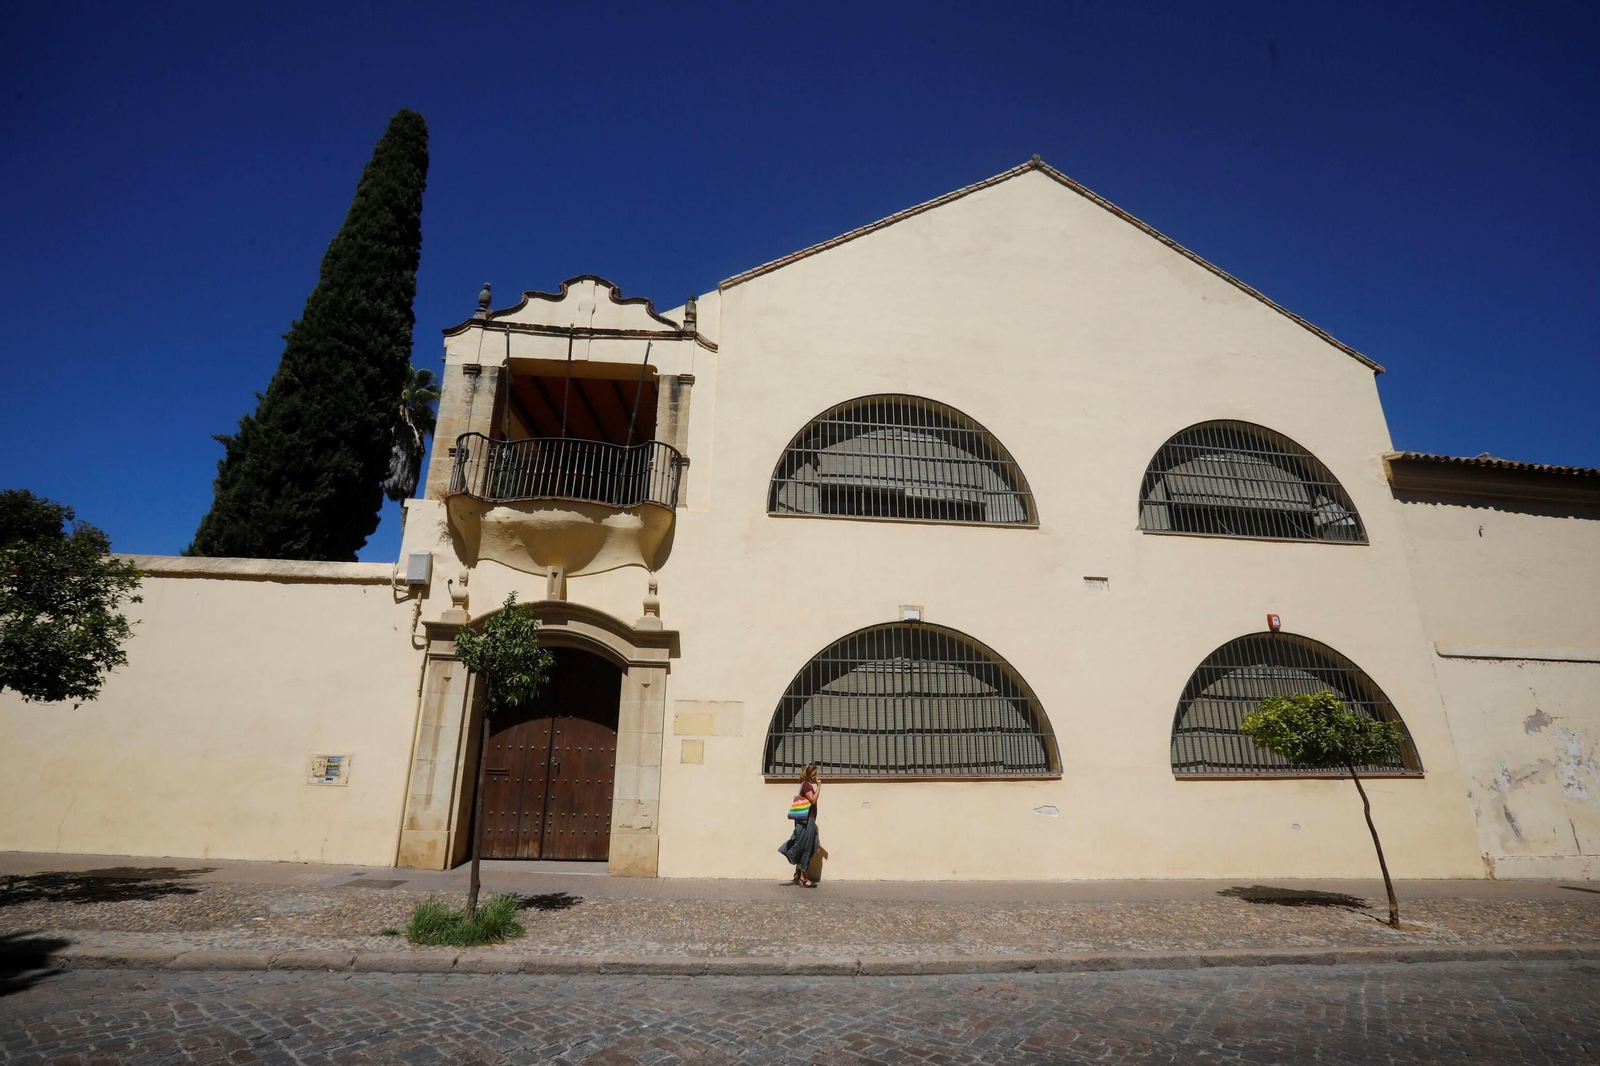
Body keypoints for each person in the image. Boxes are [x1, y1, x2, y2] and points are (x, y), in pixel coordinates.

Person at [778, 763, 821, 886]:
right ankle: (803, 877)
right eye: (814, 774)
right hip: (806, 820)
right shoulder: (807, 785)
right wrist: (819, 786)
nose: (816, 776)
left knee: (810, 844)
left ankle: (799, 872)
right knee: (807, 845)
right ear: (808, 774)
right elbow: (812, 800)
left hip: (808, 820)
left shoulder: (806, 785)